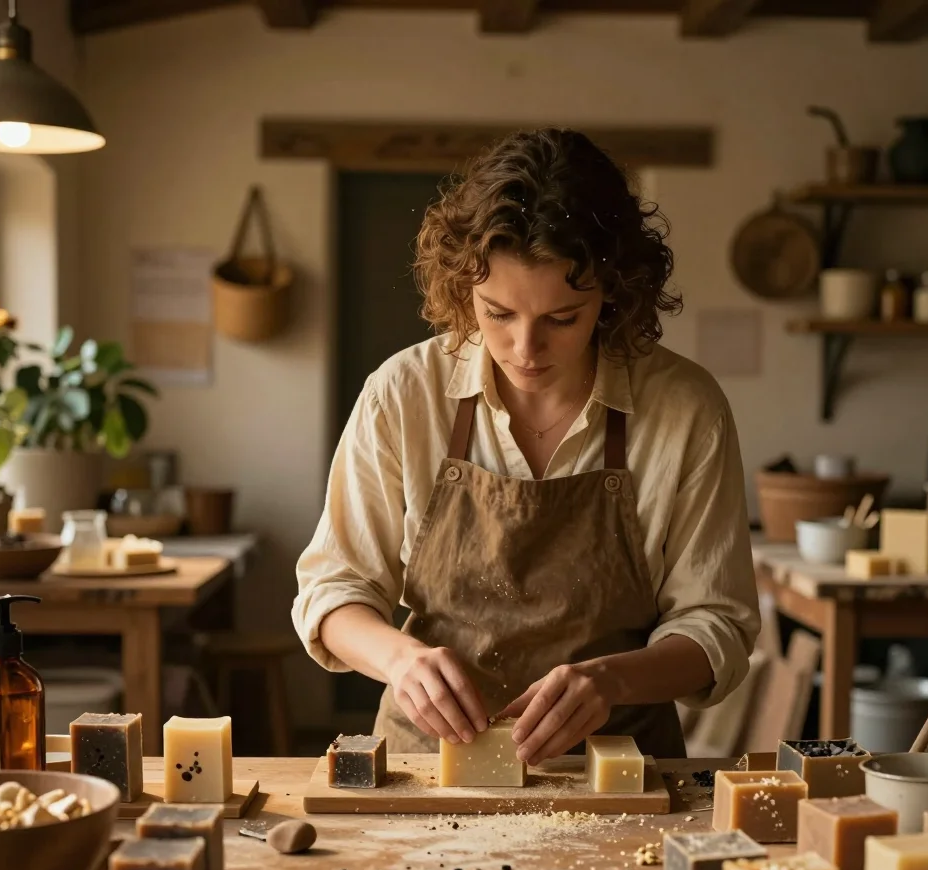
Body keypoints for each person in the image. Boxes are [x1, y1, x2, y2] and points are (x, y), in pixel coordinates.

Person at [293, 127, 760, 764]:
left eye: (562, 318)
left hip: (620, 770)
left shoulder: (684, 408)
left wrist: (614, 680)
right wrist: (401, 660)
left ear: (615, 293)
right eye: (497, 313)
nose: (524, 349)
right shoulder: (404, 393)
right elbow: (333, 590)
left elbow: (718, 622)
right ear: (463, 290)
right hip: (428, 766)